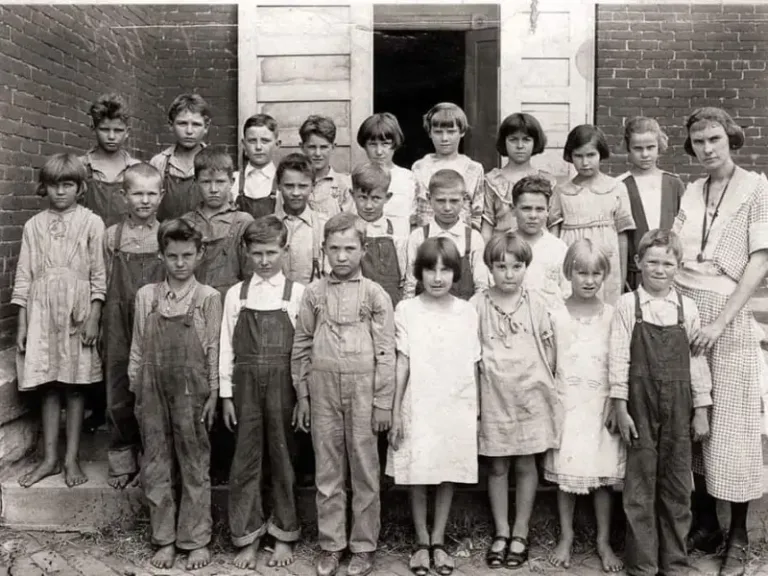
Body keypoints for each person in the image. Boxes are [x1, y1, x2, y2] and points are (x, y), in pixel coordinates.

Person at [673, 107, 768, 576]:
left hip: (727, 317)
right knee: (694, 418)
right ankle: (706, 523)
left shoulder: (757, 188)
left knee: (732, 424)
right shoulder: (691, 191)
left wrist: (719, 323)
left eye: (714, 138)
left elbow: (760, 261)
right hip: (686, 309)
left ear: (730, 138)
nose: (707, 148)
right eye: (698, 141)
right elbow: (675, 251)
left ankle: (739, 536)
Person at [292, 213, 396, 576]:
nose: (341, 256)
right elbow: (302, 344)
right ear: (323, 249)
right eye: (334, 248)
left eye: (350, 248)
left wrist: (383, 402)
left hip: (364, 390)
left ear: (363, 249)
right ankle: (331, 544)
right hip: (323, 391)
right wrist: (302, 395)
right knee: (328, 469)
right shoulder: (313, 293)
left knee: (365, 469)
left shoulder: (375, 294)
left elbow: (386, 351)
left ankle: (363, 546)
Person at [610, 229, 713, 576]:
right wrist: (620, 405)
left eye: (668, 263)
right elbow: (618, 358)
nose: (659, 269)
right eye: (652, 261)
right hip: (639, 405)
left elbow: (697, 362)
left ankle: (674, 563)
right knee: (639, 486)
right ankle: (642, 565)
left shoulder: (687, 308)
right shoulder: (628, 305)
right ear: (638, 262)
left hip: (680, 407)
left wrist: (701, 409)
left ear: (678, 267)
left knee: (677, 486)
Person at [128, 219, 221, 571]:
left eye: (187, 255)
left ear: (200, 254)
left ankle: (196, 540)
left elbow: (213, 349)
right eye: (172, 256)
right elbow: (138, 347)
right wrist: (137, 388)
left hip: (191, 391)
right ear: (161, 256)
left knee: (194, 462)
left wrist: (213, 393)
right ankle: (164, 539)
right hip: (151, 389)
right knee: (156, 462)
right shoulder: (147, 296)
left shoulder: (208, 297)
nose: (180, 263)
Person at [388, 237, 481, 576]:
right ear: (419, 273)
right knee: (418, 469)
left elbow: (473, 362)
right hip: (418, 400)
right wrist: (395, 411)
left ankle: (439, 540)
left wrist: (476, 411)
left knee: (446, 468)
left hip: (455, 401)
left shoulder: (466, 311)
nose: (438, 278)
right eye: (430, 270)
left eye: (445, 270)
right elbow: (402, 362)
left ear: (456, 273)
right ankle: (421, 541)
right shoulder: (407, 310)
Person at [13, 153, 106, 489]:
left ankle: (71, 458)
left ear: (80, 188)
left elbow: (99, 275)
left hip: (77, 313)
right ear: (45, 187)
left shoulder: (92, 223)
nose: (61, 191)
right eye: (54, 185)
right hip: (42, 313)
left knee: (75, 385)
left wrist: (94, 315)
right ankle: (50, 459)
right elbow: (24, 275)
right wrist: (23, 323)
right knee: (49, 385)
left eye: (68, 184)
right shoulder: (33, 226)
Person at [219, 216, 304, 570]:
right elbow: (226, 345)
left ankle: (284, 532)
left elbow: (303, 349)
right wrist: (226, 394)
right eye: (257, 253)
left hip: (284, 384)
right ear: (246, 252)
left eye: (271, 252)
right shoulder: (236, 294)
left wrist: (302, 396)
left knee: (284, 457)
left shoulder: (296, 294)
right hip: (246, 385)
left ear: (285, 250)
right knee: (246, 457)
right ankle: (248, 535)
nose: (265, 260)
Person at [472, 231, 560, 571]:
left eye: (516, 266)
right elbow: (471, 355)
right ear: (490, 268)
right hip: (493, 395)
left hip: (528, 396)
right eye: (501, 267)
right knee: (497, 466)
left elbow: (549, 350)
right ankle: (501, 531)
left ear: (526, 267)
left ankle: (521, 531)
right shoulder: (478, 305)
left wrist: (542, 386)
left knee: (525, 463)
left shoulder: (535, 303)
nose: (509, 274)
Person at [542, 239, 625, 572]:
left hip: (601, 406)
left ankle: (603, 540)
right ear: (568, 273)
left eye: (596, 274)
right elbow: (549, 363)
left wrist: (615, 401)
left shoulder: (613, 316)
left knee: (601, 474)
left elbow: (618, 362)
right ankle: (566, 535)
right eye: (581, 273)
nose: (589, 281)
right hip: (567, 404)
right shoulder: (555, 315)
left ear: (604, 275)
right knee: (568, 472)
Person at [102, 163, 165, 490]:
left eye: (151, 193)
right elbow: (100, 280)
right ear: (123, 195)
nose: (145, 200)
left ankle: (151, 459)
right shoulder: (111, 236)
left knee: (151, 388)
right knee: (118, 387)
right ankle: (122, 460)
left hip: (154, 317)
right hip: (117, 318)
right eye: (137, 193)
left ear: (162, 196)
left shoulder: (166, 234)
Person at [549, 125, 635, 305]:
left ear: (601, 154)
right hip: (573, 257)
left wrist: (621, 277)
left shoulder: (616, 188)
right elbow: (553, 237)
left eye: (590, 155)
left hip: (606, 257)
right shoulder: (561, 191)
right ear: (570, 156)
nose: (585, 162)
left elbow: (622, 236)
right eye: (578, 156)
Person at [180, 146, 254, 302]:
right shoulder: (186, 223)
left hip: (230, 303)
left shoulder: (242, 222)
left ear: (232, 182)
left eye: (220, 182)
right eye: (206, 182)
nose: (213, 189)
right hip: (192, 302)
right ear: (195, 182)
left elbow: (250, 275)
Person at [620, 117, 685, 291]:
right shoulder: (620, 185)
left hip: (670, 274)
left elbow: (685, 228)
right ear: (628, 148)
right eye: (638, 148)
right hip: (634, 275)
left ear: (659, 146)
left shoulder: (673, 183)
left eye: (650, 147)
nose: (645, 154)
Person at [403, 169, 488, 300]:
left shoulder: (473, 239)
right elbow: (410, 285)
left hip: (464, 309)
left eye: (454, 201)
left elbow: (481, 287)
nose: (447, 208)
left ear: (464, 199)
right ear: (429, 198)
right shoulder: (418, 237)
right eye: (441, 201)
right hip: (425, 309)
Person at [481, 112, 555, 242]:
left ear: (535, 142)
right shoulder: (492, 180)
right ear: (504, 142)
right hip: (503, 248)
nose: (520, 146)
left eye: (526, 139)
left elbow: (553, 225)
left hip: (539, 248)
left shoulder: (547, 181)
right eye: (513, 139)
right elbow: (487, 226)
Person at [412, 103, 485, 230]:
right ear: (430, 133)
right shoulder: (419, 167)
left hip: (461, 237)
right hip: (426, 237)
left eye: (451, 132)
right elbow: (413, 211)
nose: (444, 138)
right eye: (438, 132)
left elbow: (477, 214)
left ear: (462, 132)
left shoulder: (474, 169)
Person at [79, 93, 140, 227]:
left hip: (125, 238)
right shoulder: (80, 166)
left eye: (118, 130)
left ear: (127, 132)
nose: (111, 136)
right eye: (104, 129)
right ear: (93, 128)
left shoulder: (137, 169)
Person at [275, 115, 353, 217]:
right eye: (312, 147)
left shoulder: (344, 184)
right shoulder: (290, 184)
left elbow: (350, 221)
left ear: (333, 147)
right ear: (302, 147)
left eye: (323, 147)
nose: (317, 153)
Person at [357, 112, 418, 240]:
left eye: (385, 144)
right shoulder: (357, 178)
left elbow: (414, 221)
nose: (379, 151)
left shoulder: (408, 178)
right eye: (372, 144)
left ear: (394, 144)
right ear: (364, 145)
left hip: (400, 245)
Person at [511, 175, 569, 307]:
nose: (533, 215)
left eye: (539, 209)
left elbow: (567, 292)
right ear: (513, 210)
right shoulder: (501, 245)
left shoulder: (558, 249)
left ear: (548, 211)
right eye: (526, 208)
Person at [352, 162, 406, 306]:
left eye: (376, 198)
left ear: (387, 197)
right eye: (362, 197)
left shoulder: (396, 232)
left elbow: (404, 275)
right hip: (357, 300)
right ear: (352, 195)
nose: (369, 206)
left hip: (390, 300)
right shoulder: (348, 230)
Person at [151, 93, 210, 221]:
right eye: (182, 124)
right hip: (165, 232)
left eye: (196, 124)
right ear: (170, 125)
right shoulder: (159, 163)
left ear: (206, 127)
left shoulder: (214, 162)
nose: (189, 131)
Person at [274, 152, 329, 285]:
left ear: (313, 187)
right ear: (278, 185)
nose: (296, 193)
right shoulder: (269, 226)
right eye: (289, 186)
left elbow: (331, 275)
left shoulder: (324, 226)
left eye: (303, 186)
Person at [232, 113, 280, 219]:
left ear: (277, 144)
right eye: (252, 141)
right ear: (244, 144)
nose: (258, 147)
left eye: (265, 141)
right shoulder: (233, 181)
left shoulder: (282, 182)